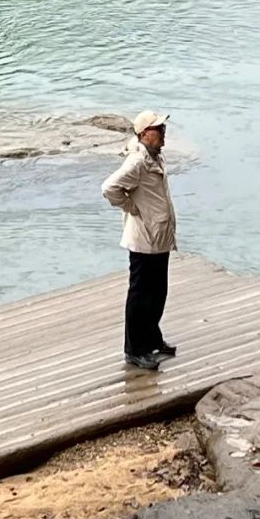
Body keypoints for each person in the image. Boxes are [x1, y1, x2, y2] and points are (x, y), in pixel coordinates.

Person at [101, 111, 177, 370]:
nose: (163, 131)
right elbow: (109, 188)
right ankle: (134, 350)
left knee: (158, 293)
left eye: (163, 127)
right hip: (144, 238)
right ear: (144, 134)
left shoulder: (155, 156)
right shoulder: (137, 162)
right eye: (158, 128)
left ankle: (153, 340)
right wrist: (131, 207)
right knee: (140, 296)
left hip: (159, 237)